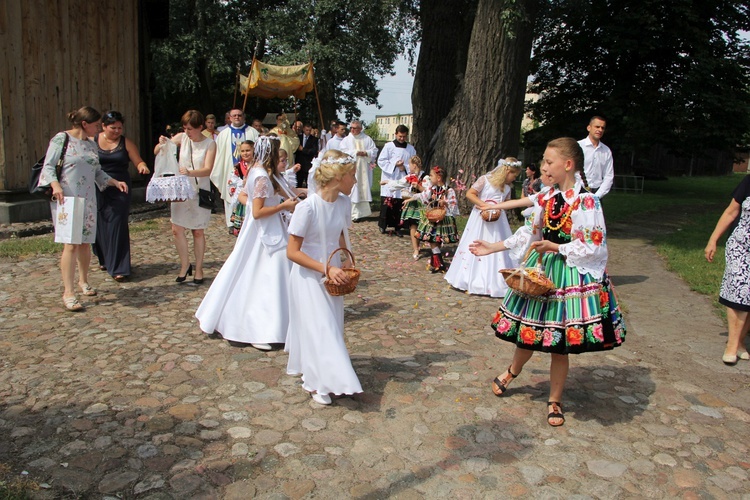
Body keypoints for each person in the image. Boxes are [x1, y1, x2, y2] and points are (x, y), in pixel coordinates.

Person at [469, 137, 626, 427]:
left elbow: (593, 246)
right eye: (543, 161)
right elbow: (529, 232)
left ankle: (555, 399)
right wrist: (491, 248)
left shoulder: (585, 201)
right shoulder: (547, 197)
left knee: (559, 344)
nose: (543, 167)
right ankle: (512, 372)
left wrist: (556, 248)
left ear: (568, 165)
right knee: (528, 331)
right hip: (542, 270)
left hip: (568, 275)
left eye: (548, 161)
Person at [196, 137, 299, 350]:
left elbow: (259, 196)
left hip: (266, 227)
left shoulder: (258, 171)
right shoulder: (261, 176)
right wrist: (284, 206)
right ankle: (258, 328)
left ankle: (283, 322)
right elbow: (258, 211)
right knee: (266, 271)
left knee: (256, 269)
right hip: (265, 229)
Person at [285, 149, 363, 405]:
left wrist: (348, 258)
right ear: (338, 177)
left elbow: (339, 234)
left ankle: (324, 373)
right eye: (352, 175)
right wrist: (326, 268)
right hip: (308, 276)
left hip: (335, 274)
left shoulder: (342, 203)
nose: (355, 180)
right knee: (320, 328)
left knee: (331, 325)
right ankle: (318, 382)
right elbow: (292, 252)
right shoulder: (307, 208)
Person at [40, 106, 129, 311]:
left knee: (85, 243)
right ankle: (68, 292)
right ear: (84, 124)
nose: (98, 129)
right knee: (71, 244)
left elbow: (97, 171)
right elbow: (49, 166)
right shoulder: (61, 140)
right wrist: (55, 185)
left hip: (88, 199)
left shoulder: (90, 144)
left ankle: (83, 280)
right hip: (67, 198)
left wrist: (114, 181)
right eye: (96, 125)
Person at [155, 110, 216, 284]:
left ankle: (198, 268)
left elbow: (208, 169)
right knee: (177, 229)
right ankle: (184, 264)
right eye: (185, 128)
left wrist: (190, 172)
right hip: (181, 191)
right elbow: (157, 151)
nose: (188, 132)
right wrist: (162, 143)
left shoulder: (209, 144)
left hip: (198, 190)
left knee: (197, 231)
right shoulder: (182, 138)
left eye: (191, 129)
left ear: (200, 127)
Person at [444, 158, 522, 297]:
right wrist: (484, 205)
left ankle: (496, 280)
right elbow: (470, 193)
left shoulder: (507, 188)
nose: (514, 179)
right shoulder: (485, 180)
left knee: (497, 244)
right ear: (507, 171)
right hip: (480, 216)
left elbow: (506, 202)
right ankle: (469, 278)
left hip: (498, 221)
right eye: (514, 175)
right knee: (475, 241)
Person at [93, 111, 150, 282]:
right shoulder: (92, 141)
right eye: (113, 128)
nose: (117, 131)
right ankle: (104, 258)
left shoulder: (126, 143)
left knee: (117, 224)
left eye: (119, 128)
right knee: (99, 223)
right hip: (98, 185)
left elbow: (138, 160)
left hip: (120, 188)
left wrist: (142, 166)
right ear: (103, 126)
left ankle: (119, 267)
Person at [704, 175, 750, 365]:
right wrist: (713, 240)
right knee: (739, 291)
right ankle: (731, 345)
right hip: (740, 247)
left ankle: (739, 342)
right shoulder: (749, 182)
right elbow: (731, 212)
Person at [211, 109, 260, 231]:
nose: (237, 117)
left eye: (239, 115)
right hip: (230, 170)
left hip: (250, 170)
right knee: (230, 194)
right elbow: (219, 154)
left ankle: (249, 221)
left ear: (243, 117)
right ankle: (231, 223)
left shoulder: (252, 132)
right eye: (234, 115)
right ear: (230, 118)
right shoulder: (223, 134)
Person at [414, 166, 459, 272]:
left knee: (436, 240)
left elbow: (453, 205)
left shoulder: (449, 190)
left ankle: (438, 262)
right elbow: (423, 196)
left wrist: (445, 203)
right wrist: (411, 198)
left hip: (444, 218)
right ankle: (438, 262)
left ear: (438, 178)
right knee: (432, 239)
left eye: (431, 175)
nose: (429, 178)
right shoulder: (432, 189)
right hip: (433, 218)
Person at [377, 124, 416, 235]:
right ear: (396, 134)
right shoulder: (389, 146)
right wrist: (395, 164)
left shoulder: (410, 149)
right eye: (400, 136)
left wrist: (404, 167)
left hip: (403, 177)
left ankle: (398, 227)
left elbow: (414, 163)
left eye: (404, 136)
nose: (402, 139)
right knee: (387, 203)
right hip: (390, 176)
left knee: (400, 203)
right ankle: (383, 225)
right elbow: (381, 160)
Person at [339, 120, 378, 221]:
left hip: (364, 169)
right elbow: (343, 152)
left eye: (355, 128)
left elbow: (374, 151)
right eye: (351, 127)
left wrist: (366, 153)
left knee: (363, 189)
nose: (352, 130)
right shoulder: (346, 140)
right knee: (353, 190)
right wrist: (356, 152)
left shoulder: (367, 139)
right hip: (352, 169)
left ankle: (361, 213)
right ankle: (351, 214)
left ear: (360, 129)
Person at [399, 156, 430, 259]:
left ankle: (422, 243)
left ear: (414, 165)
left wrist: (418, 186)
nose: (409, 167)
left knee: (421, 225)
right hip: (412, 203)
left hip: (421, 204)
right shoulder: (410, 176)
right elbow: (400, 183)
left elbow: (428, 192)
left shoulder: (425, 177)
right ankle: (415, 248)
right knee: (412, 224)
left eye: (410, 165)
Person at [578, 116, 614, 198]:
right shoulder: (578, 146)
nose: (600, 130)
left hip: (597, 192)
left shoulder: (606, 151)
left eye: (602, 128)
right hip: (578, 191)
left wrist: (597, 196)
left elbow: (609, 176)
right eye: (597, 127)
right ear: (589, 128)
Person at [227, 140, 255, 237]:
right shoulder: (238, 167)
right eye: (242, 151)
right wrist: (241, 183)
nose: (245, 153)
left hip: (256, 199)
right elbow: (231, 183)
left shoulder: (259, 165)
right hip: (243, 202)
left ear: (254, 150)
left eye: (248, 150)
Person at [296, 123, 318, 188]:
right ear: (303, 129)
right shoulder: (298, 138)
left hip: (308, 164)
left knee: (308, 183)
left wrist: (303, 149)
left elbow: (313, 151)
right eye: (306, 130)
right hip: (299, 163)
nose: (308, 132)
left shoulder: (314, 139)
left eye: (309, 130)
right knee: (298, 183)